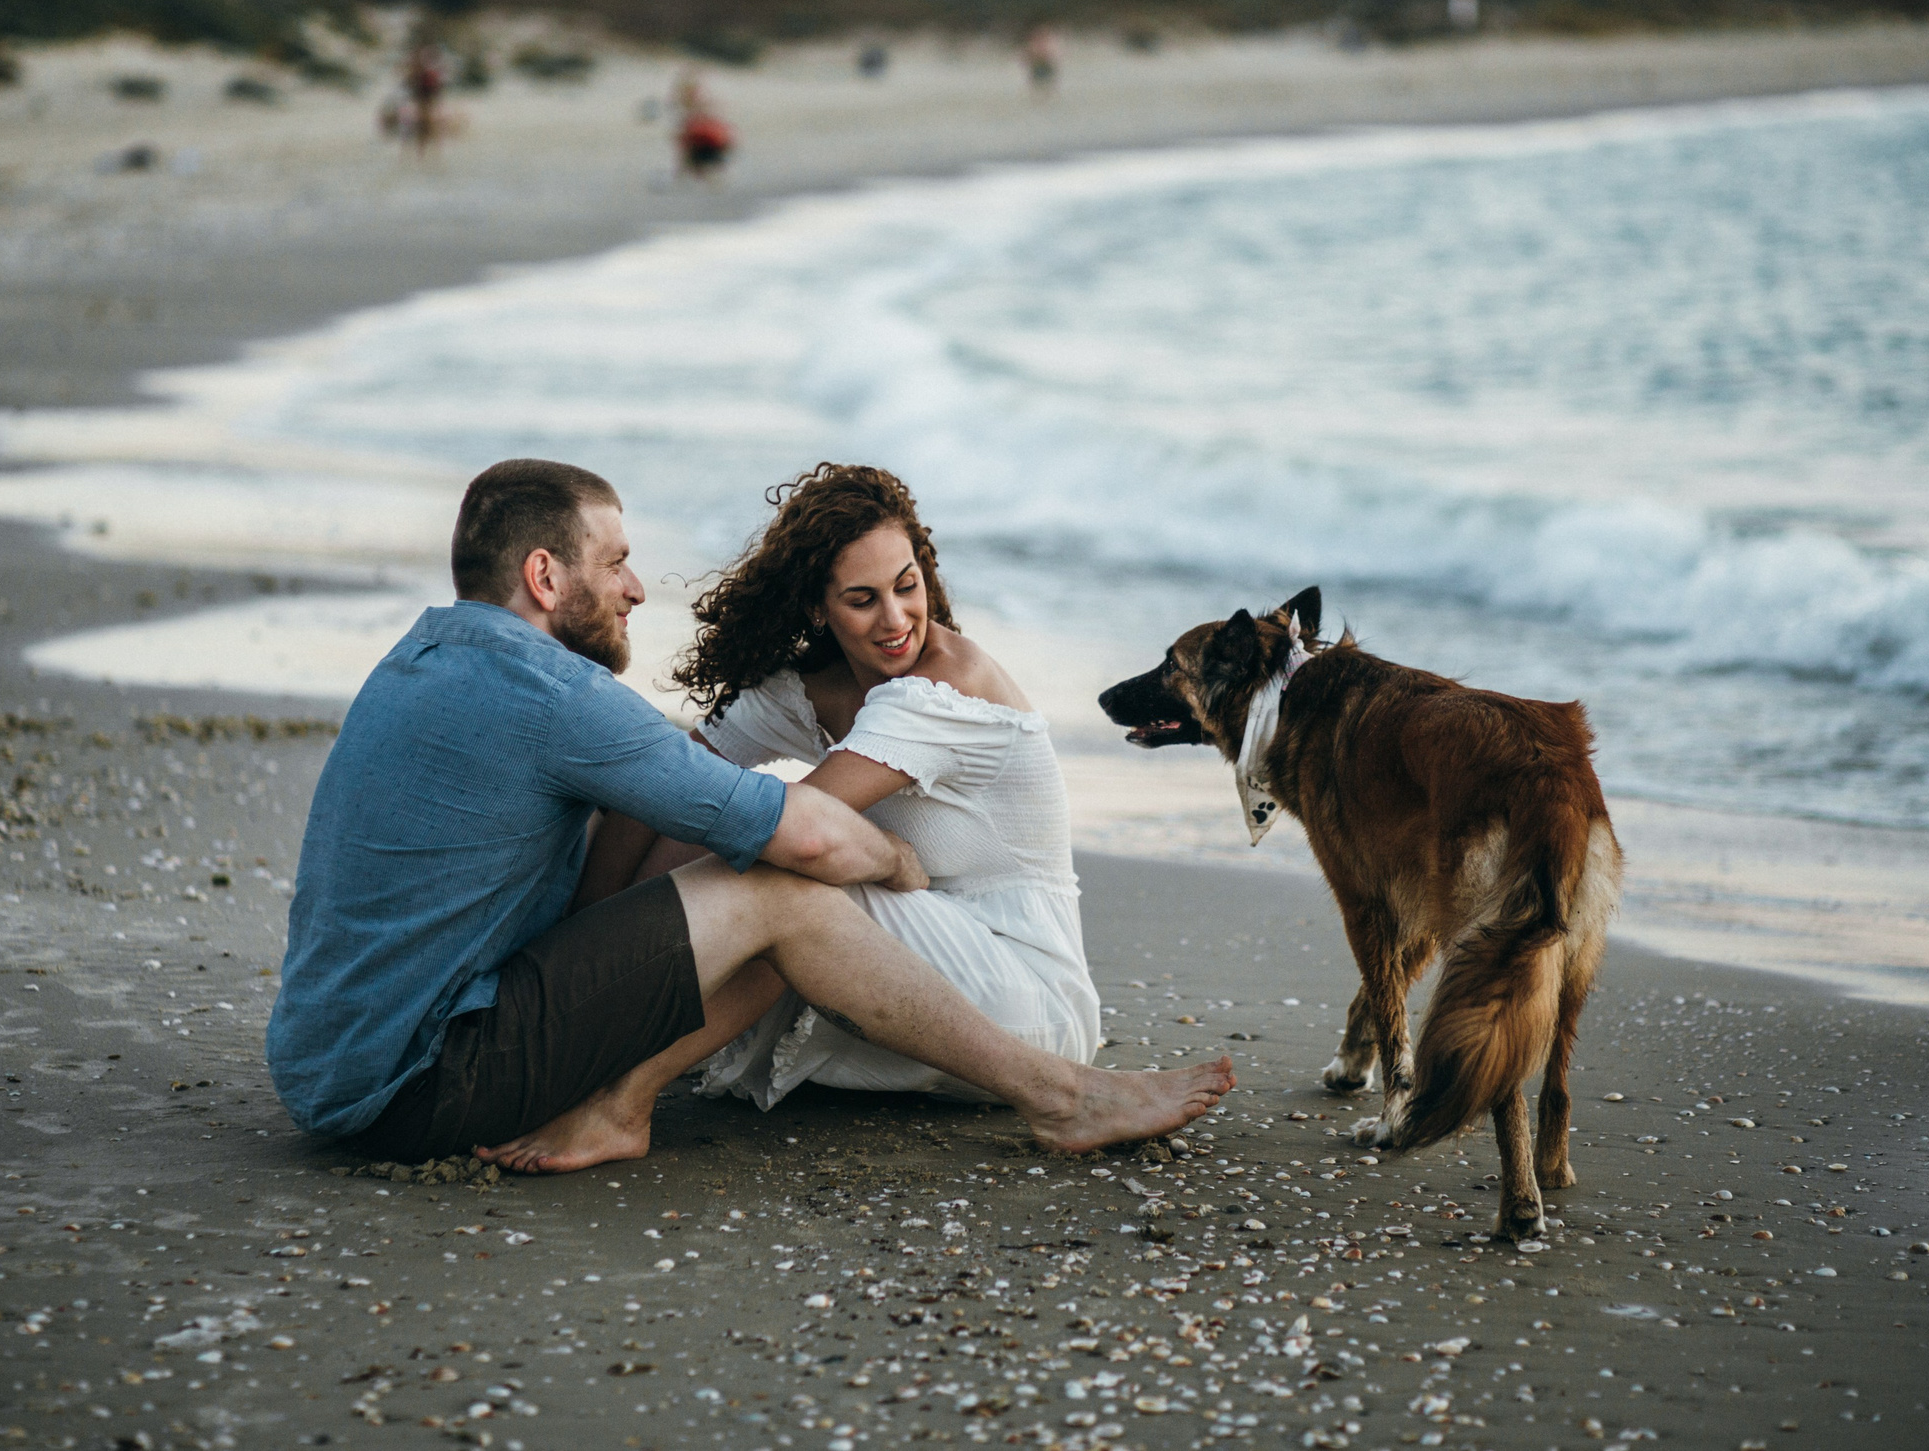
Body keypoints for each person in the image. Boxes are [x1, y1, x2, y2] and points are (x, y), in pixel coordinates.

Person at [265, 459, 1229, 1170]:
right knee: (786, 877)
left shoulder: (416, 659)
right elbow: (796, 831)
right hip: (424, 1082)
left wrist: (612, 959)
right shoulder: (556, 698)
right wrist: (893, 860)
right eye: (618, 562)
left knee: (760, 867)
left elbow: (698, 794)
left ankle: (621, 1088)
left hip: (327, 1069)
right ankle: (1061, 1103)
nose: (639, 586)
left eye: (908, 586)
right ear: (547, 578)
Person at [491, 465, 1099, 1170]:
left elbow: (798, 829)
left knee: (787, 872)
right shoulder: (806, 691)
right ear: (818, 609)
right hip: (906, 985)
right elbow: (660, 795)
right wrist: (576, 943)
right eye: (863, 599)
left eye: (908, 585)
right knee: (699, 833)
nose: (897, 619)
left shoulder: (944, 688)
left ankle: (622, 1102)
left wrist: (889, 861)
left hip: (1023, 1004)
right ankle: (588, 1034)